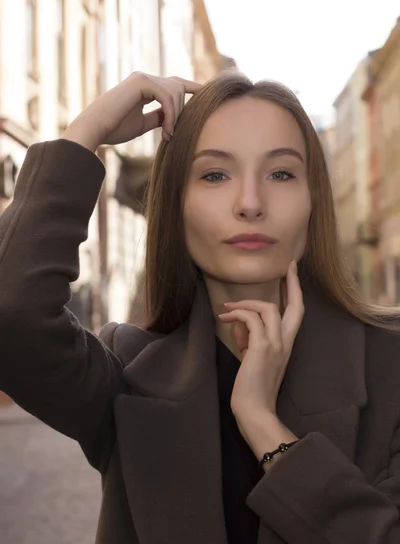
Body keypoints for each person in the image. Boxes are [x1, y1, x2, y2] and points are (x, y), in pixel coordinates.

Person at [0, 71, 400, 544]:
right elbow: (14, 313)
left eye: (281, 173)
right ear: (175, 205)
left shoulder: (389, 362)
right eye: (214, 174)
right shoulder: (128, 372)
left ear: (314, 201)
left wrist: (263, 425)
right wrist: (87, 133)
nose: (250, 203)